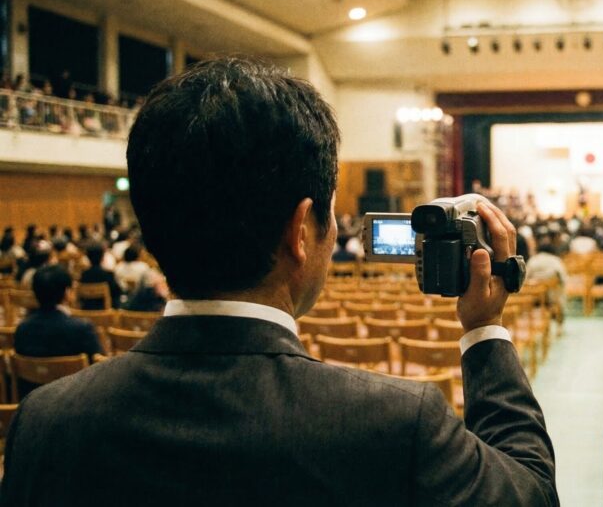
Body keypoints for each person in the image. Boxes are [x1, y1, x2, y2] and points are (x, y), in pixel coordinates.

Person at [0, 57, 557, 506]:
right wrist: (484, 330)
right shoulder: (393, 424)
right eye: (331, 213)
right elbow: (530, 492)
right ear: (300, 230)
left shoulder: (46, 421)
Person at [13, 265, 104, 397]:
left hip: (33, 403)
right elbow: (99, 370)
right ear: (67, 293)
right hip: (74, 401)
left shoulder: (22, 329)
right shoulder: (81, 329)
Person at [78, 241, 122, 309]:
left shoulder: (83, 275)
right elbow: (117, 292)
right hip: (105, 313)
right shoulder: (108, 275)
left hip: (86, 310)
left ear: (88, 257)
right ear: (102, 257)